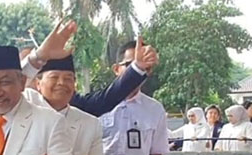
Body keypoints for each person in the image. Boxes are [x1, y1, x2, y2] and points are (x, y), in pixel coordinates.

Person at [20, 23, 157, 117]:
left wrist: (138, 67)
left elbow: (108, 98)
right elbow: (10, 84)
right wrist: (38, 57)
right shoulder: (23, 104)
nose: (61, 83)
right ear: (38, 83)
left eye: (68, 78)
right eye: (54, 77)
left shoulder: (81, 115)